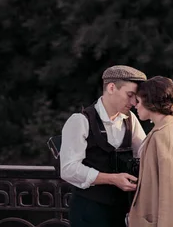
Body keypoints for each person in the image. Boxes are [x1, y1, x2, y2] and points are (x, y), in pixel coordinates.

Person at [60, 65, 148, 227]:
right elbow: (68, 169)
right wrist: (112, 179)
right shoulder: (80, 121)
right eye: (130, 95)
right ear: (111, 87)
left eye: (136, 97)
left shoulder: (131, 120)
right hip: (88, 210)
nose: (134, 102)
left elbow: (145, 154)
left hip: (122, 210)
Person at [128, 76, 173, 227]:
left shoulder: (164, 135)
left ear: (150, 103)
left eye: (139, 101)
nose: (135, 105)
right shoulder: (164, 129)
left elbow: (171, 191)